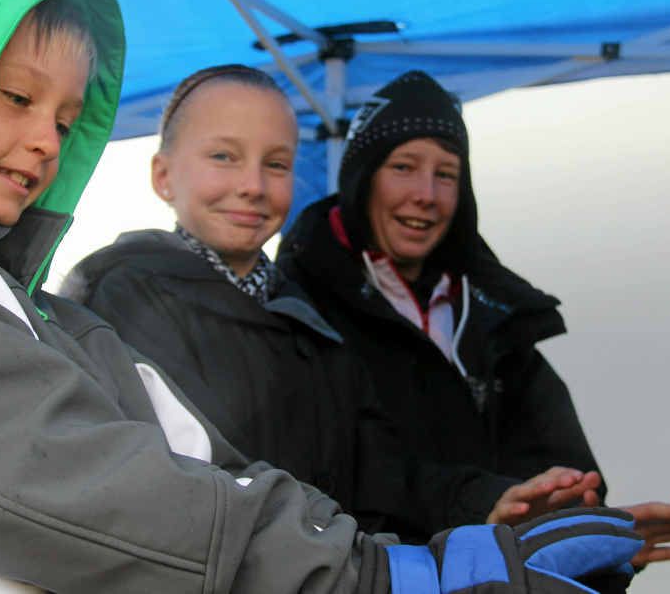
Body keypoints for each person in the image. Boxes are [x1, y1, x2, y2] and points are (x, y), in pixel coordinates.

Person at [0, 0, 642, 593]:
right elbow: (89, 492)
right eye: (15, 98)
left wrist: (464, 533)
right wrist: (382, 575)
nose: (47, 139)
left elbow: (227, 470)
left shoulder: (69, 326)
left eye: (70, 118)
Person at [62, 64, 604, 539]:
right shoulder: (126, 295)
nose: (252, 184)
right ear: (162, 176)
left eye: (276, 164)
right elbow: (184, 489)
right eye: (224, 156)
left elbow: (380, 471)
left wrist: (488, 504)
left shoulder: (306, 318)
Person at [277, 70, 670, 567]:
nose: (426, 193)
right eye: (403, 167)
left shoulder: (495, 313)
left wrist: (581, 534)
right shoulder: (297, 310)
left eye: (446, 174)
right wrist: (486, 507)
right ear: (361, 179)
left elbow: (564, 471)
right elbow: (351, 470)